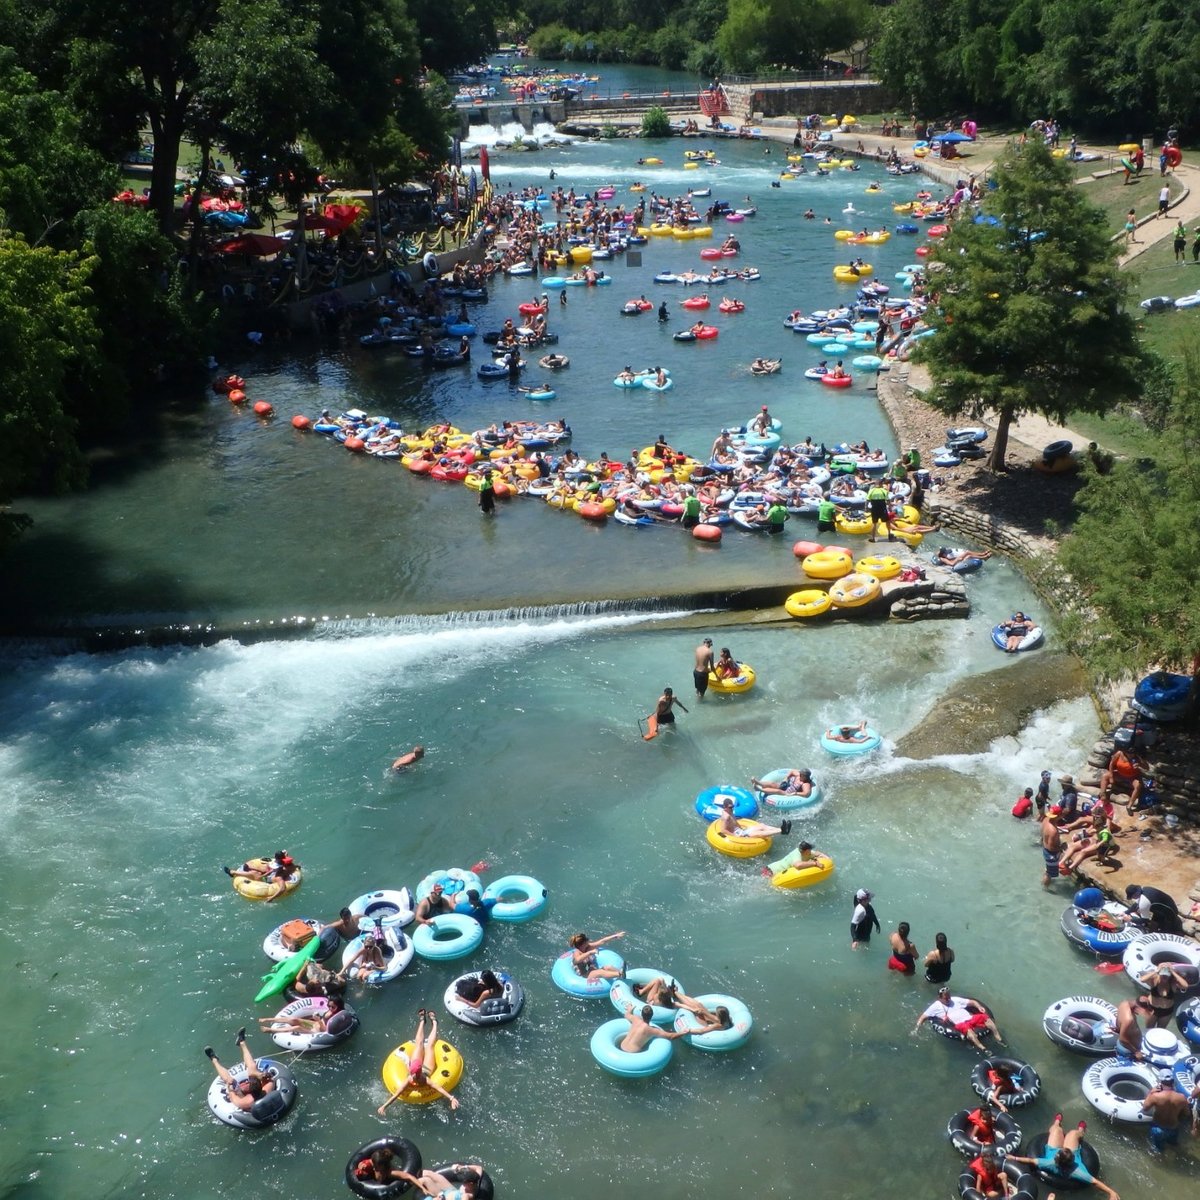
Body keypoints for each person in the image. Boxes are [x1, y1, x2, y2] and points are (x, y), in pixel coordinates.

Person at [1008, 1115, 1119, 1199]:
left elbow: (1031, 1160)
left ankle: (1060, 1123)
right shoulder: (1077, 1171)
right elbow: (1095, 1182)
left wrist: (1014, 1158)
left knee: (1060, 1131)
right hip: (1067, 1153)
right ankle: (1076, 1129)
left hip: (1053, 1150)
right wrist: (1111, 1192)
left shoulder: (1050, 1163)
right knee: (1071, 1133)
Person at [378, 1010, 460, 1112]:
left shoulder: (425, 1079)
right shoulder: (410, 1079)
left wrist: (451, 1098)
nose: (415, 1076)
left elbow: (439, 1088)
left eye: (416, 1074)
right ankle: (422, 1021)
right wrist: (384, 1106)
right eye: (414, 1074)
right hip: (417, 1064)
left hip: (427, 1069)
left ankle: (434, 1023)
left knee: (430, 1046)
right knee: (419, 1043)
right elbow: (396, 1094)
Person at [204, 1027, 276, 1110]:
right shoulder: (266, 1089)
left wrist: (231, 1089)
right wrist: (262, 1074)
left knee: (229, 1080)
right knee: (252, 1067)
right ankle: (241, 1042)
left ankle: (213, 1059)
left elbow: (232, 1096)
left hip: (240, 1095)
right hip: (255, 1093)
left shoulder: (245, 1102)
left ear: (249, 1087)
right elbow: (271, 1079)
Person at [914, 987, 1004, 1051]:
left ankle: (998, 1038)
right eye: (946, 998)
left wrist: (979, 1007)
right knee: (969, 1031)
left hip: (970, 1018)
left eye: (949, 996)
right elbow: (923, 1017)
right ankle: (983, 1048)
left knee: (985, 1018)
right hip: (960, 1024)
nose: (949, 999)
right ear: (940, 998)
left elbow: (972, 1002)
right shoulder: (935, 1006)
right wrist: (917, 1029)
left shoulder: (955, 999)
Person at [222, 851, 298, 902]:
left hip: (267, 881)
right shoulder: (281, 863)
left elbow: (282, 889)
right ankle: (248, 868)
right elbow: (276, 865)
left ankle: (233, 872)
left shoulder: (279, 877)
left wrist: (271, 898)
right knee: (261, 868)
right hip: (269, 874)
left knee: (255, 874)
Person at [257, 993, 349, 1035]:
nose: (330, 1008)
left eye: (333, 1007)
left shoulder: (336, 1016)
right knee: (294, 1019)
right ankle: (269, 1019)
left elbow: (325, 1030)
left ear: (338, 1006)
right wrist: (317, 1020)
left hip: (317, 1032)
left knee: (296, 1028)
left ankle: (271, 1030)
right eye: (329, 1006)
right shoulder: (330, 1009)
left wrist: (318, 1021)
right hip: (315, 1024)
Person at [1143, 1075, 1190, 1151]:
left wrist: (1150, 1093)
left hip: (1158, 1128)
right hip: (1173, 1127)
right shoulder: (1182, 1097)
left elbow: (1145, 1108)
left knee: (1158, 1150)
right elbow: (1187, 1113)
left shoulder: (1155, 1096)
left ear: (1160, 1082)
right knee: (1173, 1145)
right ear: (1173, 1082)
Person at [619, 1003, 690, 1053]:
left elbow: (627, 1015)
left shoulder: (635, 1019)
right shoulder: (652, 1030)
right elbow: (670, 1036)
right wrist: (683, 1032)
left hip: (621, 1047)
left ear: (641, 1014)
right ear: (651, 1016)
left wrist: (630, 1008)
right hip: (632, 1053)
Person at [715, 795, 791, 840]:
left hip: (741, 831)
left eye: (732, 806)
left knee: (762, 825)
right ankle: (781, 831)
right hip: (739, 835)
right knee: (760, 833)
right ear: (725, 807)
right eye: (730, 807)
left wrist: (741, 828)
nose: (732, 808)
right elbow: (723, 830)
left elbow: (734, 822)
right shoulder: (726, 817)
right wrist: (736, 836)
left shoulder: (730, 811)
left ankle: (782, 829)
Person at [1139, 963, 1189, 1028]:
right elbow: (1142, 980)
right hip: (1152, 1009)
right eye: (1163, 975)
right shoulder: (1154, 980)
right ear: (1159, 973)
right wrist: (1156, 971)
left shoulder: (1173, 983)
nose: (1165, 977)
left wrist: (1173, 972)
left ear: (1170, 975)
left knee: (1161, 1030)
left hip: (1166, 1011)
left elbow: (1185, 986)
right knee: (1148, 1029)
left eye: (1167, 975)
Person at [394, 1164, 486, 1200]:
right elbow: (479, 1168)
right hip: (451, 1191)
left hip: (444, 1196)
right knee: (427, 1173)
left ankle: (398, 1189)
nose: (462, 1183)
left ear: (470, 1183)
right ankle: (404, 1178)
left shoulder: (467, 1196)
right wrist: (460, 1167)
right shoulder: (476, 1178)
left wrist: (440, 1198)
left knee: (425, 1180)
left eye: (464, 1181)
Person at [1113, 994, 1154, 1059]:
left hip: (1129, 1047)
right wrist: (1136, 1052)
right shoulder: (1129, 1019)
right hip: (1128, 1051)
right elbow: (1122, 1039)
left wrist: (1119, 1029)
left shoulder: (1124, 1003)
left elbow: (1118, 1019)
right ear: (1139, 1008)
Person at [1040, 805, 1063, 888]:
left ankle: (1044, 881)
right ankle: (1046, 888)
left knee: (1048, 869)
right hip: (1051, 854)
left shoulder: (1046, 820)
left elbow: (1042, 833)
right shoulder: (1053, 831)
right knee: (1049, 874)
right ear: (1058, 816)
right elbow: (1051, 847)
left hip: (1045, 850)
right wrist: (1061, 848)